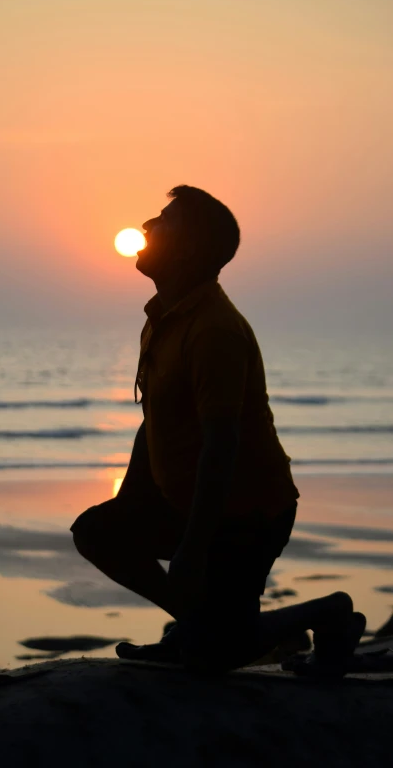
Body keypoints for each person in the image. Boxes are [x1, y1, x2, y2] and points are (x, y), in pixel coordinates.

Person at [71, 185, 365, 676]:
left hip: (248, 515)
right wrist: (133, 503)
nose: (147, 226)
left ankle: (328, 612)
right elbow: (154, 426)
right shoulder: (161, 319)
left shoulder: (214, 331)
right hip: (187, 503)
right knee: (97, 532)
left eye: (164, 220)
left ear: (187, 249)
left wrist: (193, 546)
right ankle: (200, 624)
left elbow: (221, 447)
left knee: (215, 658)